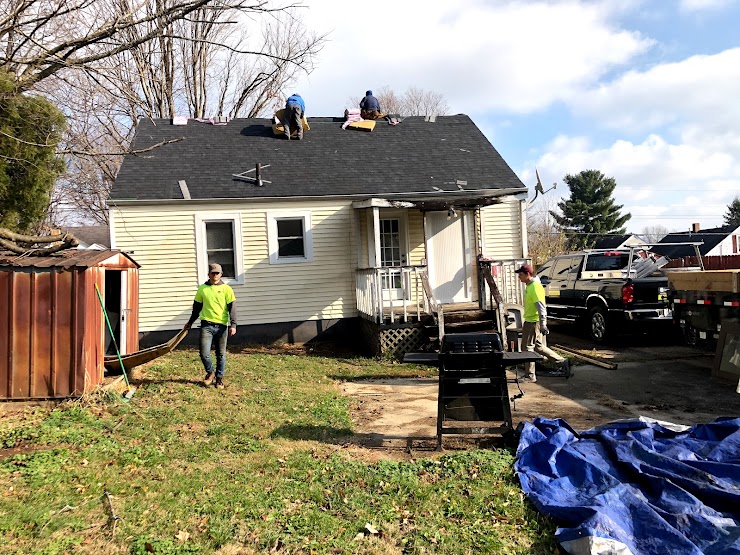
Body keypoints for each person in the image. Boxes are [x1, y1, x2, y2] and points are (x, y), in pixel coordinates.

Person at [184, 263, 237, 389]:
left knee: (221, 354)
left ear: (221, 274)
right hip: (206, 326)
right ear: (209, 274)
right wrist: (190, 323)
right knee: (204, 353)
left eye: (217, 273)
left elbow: (232, 308)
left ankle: (219, 379)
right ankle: (210, 372)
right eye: (213, 273)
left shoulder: (227, 289)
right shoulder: (202, 289)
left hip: (222, 326)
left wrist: (233, 324)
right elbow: (196, 309)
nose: (215, 275)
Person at [514, 263, 570, 382]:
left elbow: (541, 307)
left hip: (533, 322)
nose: (519, 277)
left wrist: (543, 324)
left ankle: (530, 375)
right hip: (532, 320)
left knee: (527, 348)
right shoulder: (530, 285)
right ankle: (562, 361)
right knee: (538, 346)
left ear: (527, 274)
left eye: (520, 274)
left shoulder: (534, 287)